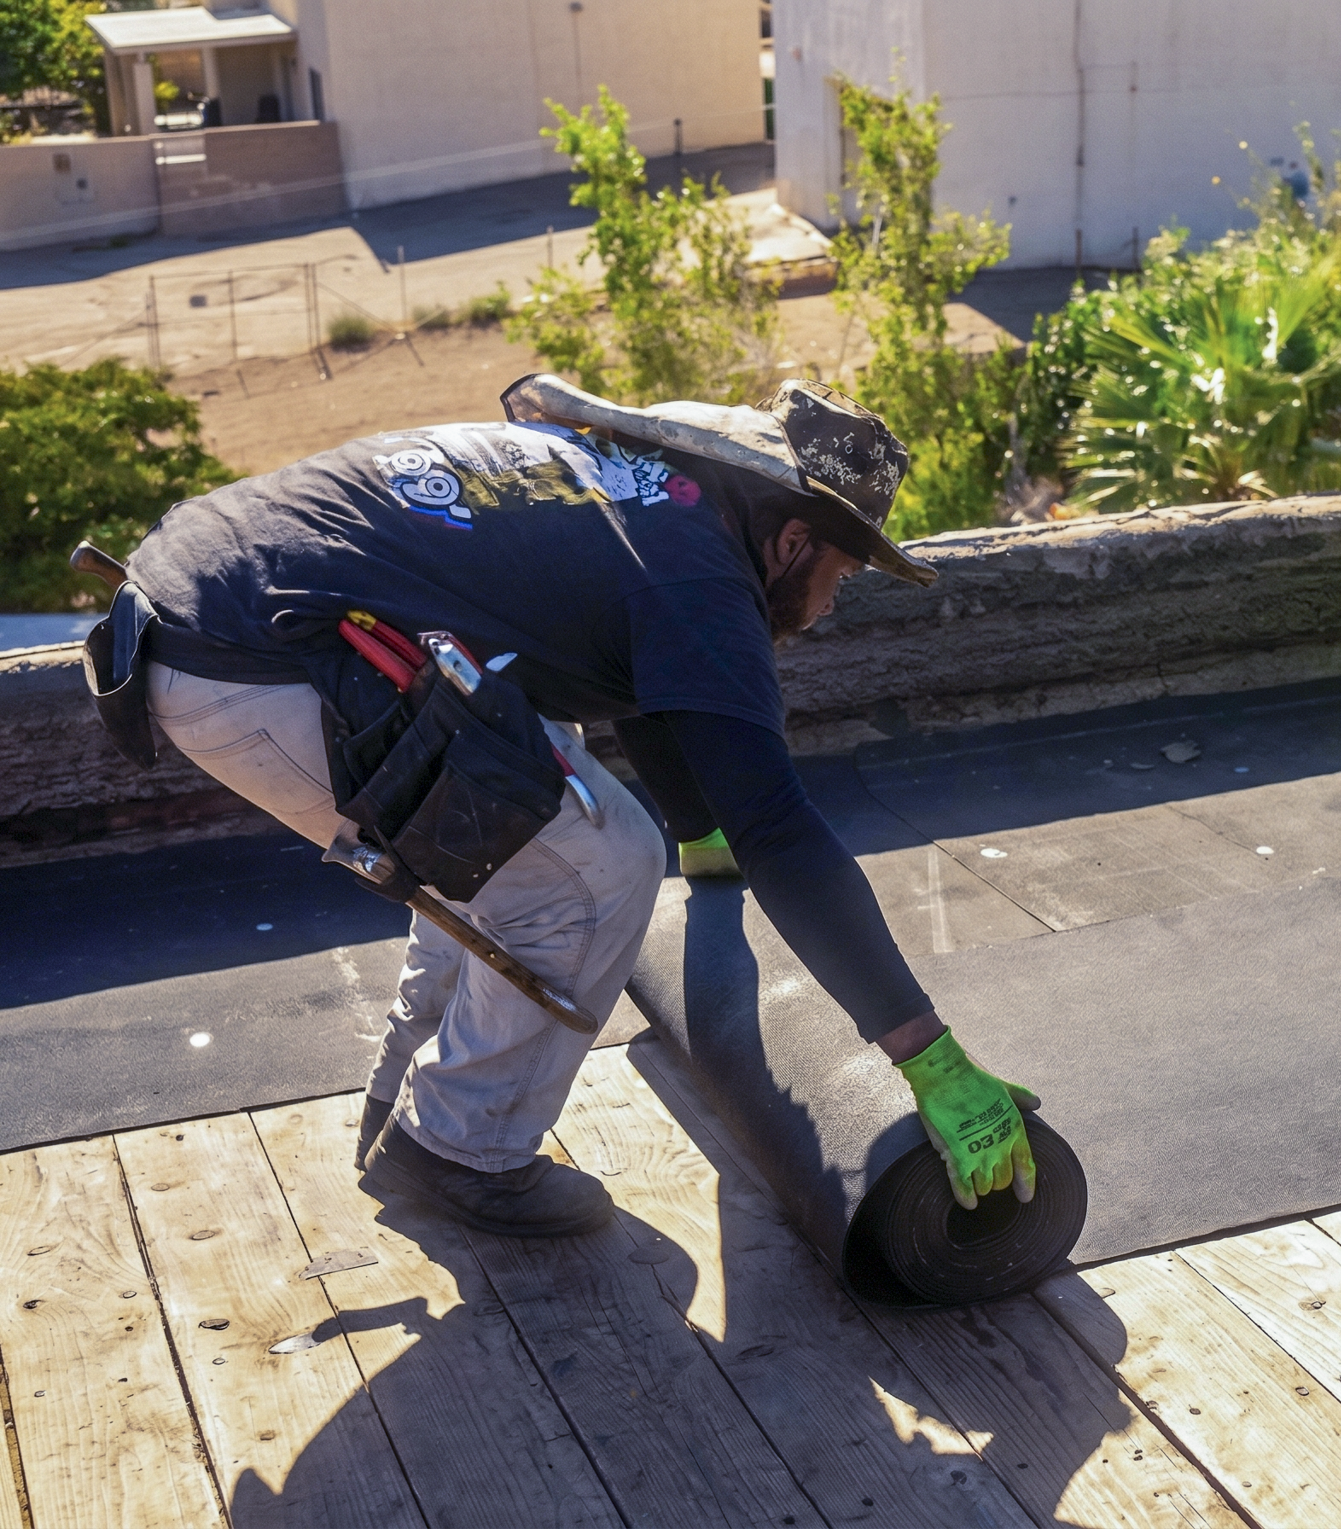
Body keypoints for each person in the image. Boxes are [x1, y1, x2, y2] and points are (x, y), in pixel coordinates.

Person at [121, 374, 1037, 1236]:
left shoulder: (659, 505)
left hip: (206, 592)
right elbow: (783, 832)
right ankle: (459, 1151)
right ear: (792, 541)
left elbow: (654, 701)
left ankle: (409, 1081)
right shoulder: (701, 579)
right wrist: (930, 1059)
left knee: (516, 819)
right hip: (247, 656)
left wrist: (704, 839)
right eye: (841, 571)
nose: (832, 603)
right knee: (601, 869)